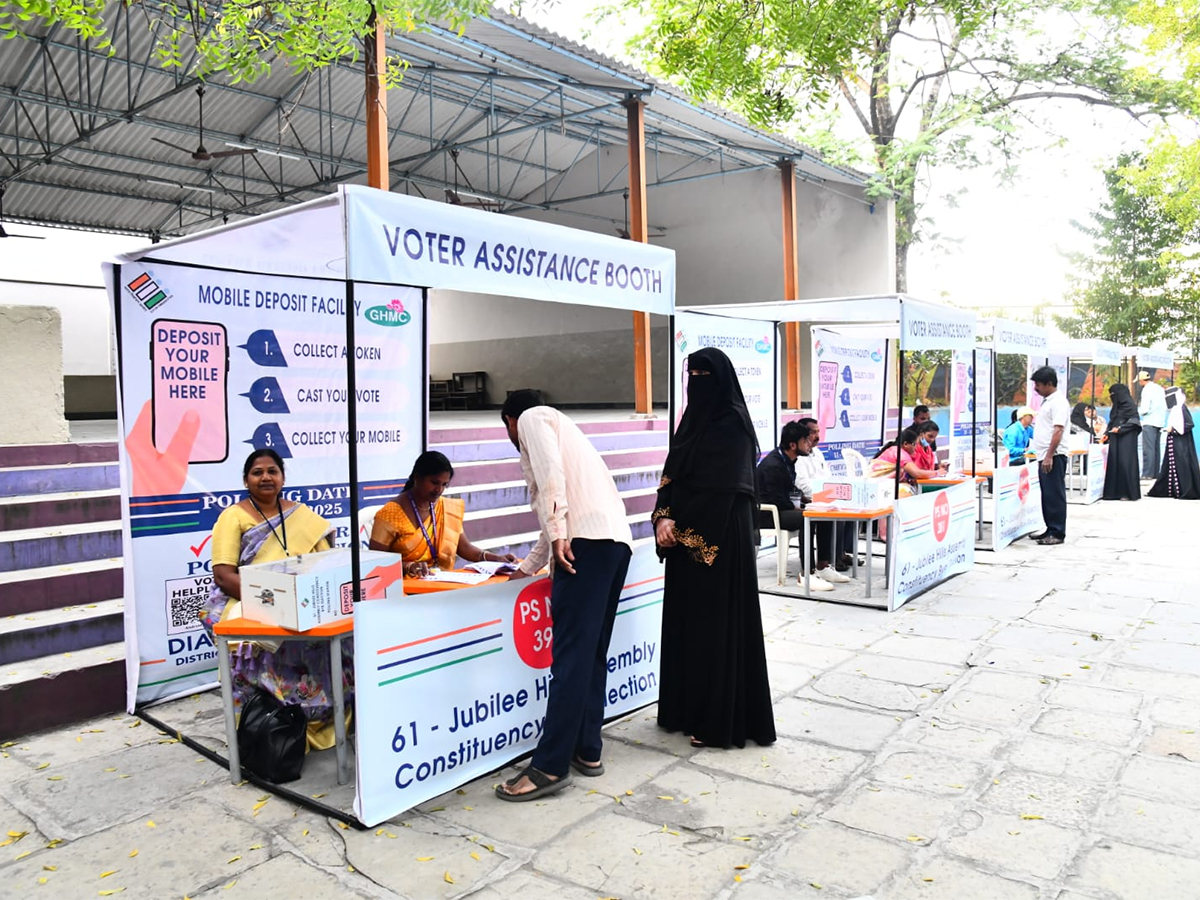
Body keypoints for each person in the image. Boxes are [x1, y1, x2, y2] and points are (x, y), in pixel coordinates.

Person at [494, 390, 634, 801]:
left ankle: (549, 766)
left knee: (570, 659)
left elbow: (551, 480)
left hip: (584, 547)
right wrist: (524, 569)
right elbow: (556, 513)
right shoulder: (567, 430)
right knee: (590, 654)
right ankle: (587, 749)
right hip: (614, 545)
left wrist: (558, 537)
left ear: (509, 420)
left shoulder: (534, 419)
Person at [652, 347, 776, 750]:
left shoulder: (733, 425)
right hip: (685, 538)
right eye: (694, 375)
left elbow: (723, 491)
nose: (697, 382)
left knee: (715, 629)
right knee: (687, 627)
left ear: (721, 380)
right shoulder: (691, 421)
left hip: (721, 539)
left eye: (705, 375)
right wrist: (662, 517)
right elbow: (672, 474)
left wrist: (681, 529)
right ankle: (683, 709)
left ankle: (718, 720)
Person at [199, 448, 343, 750]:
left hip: (302, 604)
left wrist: (300, 603)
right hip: (251, 602)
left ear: (282, 477)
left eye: (272, 471)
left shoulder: (302, 516)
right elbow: (224, 576)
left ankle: (320, 720)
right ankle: (268, 728)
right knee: (270, 647)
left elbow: (325, 563)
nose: (265, 477)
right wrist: (274, 606)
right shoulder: (233, 516)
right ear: (246, 480)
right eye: (257, 472)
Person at [369, 450, 516, 577]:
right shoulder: (390, 514)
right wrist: (408, 567)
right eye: (434, 482)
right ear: (417, 477)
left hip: (440, 584)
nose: (439, 490)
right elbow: (374, 563)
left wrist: (494, 558)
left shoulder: (445, 507)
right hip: (403, 591)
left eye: (444, 484)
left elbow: (464, 548)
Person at [755, 421, 844, 591]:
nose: (809, 443)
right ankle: (807, 573)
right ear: (793, 445)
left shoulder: (788, 460)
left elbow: (790, 490)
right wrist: (800, 508)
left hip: (783, 508)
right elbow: (776, 498)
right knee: (807, 518)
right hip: (768, 514)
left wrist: (808, 501)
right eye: (805, 441)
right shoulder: (774, 465)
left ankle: (823, 566)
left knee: (822, 512)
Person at [797, 418, 860, 575]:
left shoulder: (817, 453)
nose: (817, 436)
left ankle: (841, 553)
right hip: (807, 499)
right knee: (833, 514)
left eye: (818, 431)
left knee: (850, 508)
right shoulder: (799, 457)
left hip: (823, 496)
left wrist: (834, 493)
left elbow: (828, 477)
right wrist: (824, 496)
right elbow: (803, 485)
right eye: (813, 432)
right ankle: (831, 559)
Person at [1028, 366, 1070, 545]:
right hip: (1044, 455)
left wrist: (1049, 456)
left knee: (1055, 494)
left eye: (1038, 384)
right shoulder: (1048, 401)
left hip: (1053, 456)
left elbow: (1058, 430)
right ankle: (1050, 527)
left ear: (1049, 383)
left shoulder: (1059, 402)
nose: (1036, 388)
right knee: (1047, 494)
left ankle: (1057, 532)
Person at [1148, 387, 1200, 499]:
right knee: (1172, 465)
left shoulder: (1182, 409)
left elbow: (1188, 424)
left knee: (1182, 464)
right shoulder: (1175, 409)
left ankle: (1184, 490)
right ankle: (1171, 490)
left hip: (1181, 443)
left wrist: (1174, 430)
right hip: (1174, 441)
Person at [869, 428, 940, 495]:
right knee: (908, 491)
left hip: (877, 485)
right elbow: (917, 473)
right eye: (914, 444)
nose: (915, 447)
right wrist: (937, 473)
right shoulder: (900, 453)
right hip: (878, 487)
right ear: (905, 444)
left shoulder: (895, 450)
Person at [1103, 383, 1142, 501]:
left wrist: (1121, 429)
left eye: (1113, 394)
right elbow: (1113, 420)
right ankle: (1113, 492)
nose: (1112, 397)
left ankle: (1127, 492)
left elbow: (1134, 422)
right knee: (1115, 463)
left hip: (1127, 439)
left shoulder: (1129, 405)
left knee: (1125, 464)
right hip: (1115, 438)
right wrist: (1107, 433)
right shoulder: (1117, 406)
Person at [1137, 371, 1167, 480]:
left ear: (1141, 380)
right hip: (1159, 421)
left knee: (1148, 449)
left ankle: (1147, 473)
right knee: (1156, 448)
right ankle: (1155, 472)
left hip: (1149, 421)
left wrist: (1140, 412)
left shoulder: (1146, 390)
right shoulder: (1159, 388)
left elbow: (1145, 409)